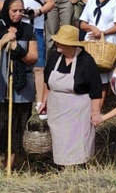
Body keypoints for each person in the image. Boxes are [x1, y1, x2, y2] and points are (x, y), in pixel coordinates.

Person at [0, 0, 39, 173]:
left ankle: (9, 166)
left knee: (16, 127)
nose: (18, 14)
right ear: (7, 10)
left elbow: (33, 58)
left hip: (20, 88)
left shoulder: (28, 29)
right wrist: (4, 40)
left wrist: (18, 49)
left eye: (21, 11)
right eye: (14, 10)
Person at [38, 25, 102, 167]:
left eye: (61, 42)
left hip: (78, 111)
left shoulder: (86, 61)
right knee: (60, 140)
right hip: (57, 109)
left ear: (71, 45)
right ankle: (60, 167)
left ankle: (78, 169)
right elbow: (47, 82)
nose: (58, 44)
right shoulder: (54, 57)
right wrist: (44, 102)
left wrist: (95, 112)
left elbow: (96, 90)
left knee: (78, 142)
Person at [0, 0, 55, 98]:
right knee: (14, 63)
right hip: (14, 29)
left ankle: (40, 102)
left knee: (38, 65)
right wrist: (15, 10)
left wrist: (38, 11)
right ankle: (13, 95)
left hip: (34, 26)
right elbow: (0, 5)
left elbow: (51, 2)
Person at [79, 0, 116, 105]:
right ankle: (88, 105)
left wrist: (103, 32)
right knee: (90, 73)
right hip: (91, 41)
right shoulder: (91, 2)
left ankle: (99, 107)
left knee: (104, 75)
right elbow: (82, 23)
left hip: (107, 42)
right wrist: (92, 28)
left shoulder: (115, 3)